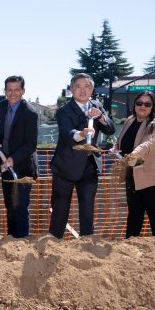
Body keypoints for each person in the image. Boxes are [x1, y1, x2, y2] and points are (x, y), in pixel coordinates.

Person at [49, 73, 115, 239]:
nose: (82, 90)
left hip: (90, 166)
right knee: (60, 209)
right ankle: (54, 242)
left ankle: (86, 242)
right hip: (65, 167)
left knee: (87, 208)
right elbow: (66, 133)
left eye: (87, 86)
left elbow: (110, 129)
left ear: (92, 89)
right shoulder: (63, 111)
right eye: (78, 86)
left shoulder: (97, 105)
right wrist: (81, 133)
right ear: (71, 89)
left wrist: (100, 116)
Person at [114, 91, 155, 237]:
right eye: (139, 103)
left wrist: (133, 154)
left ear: (153, 107)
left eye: (147, 104)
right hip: (134, 172)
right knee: (135, 212)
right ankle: (130, 245)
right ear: (134, 104)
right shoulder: (130, 120)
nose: (142, 106)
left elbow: (149, 143)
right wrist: (116, 148)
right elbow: (124, 141)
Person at [0, 75, 39, 238]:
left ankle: (22, 242)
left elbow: (31, 144)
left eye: (17, 89)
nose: (13, 93)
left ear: (23, 91)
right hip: (5, 166)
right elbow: (0, 131)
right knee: (10, 205)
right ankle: (11, 241)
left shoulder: (30, 112)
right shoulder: (2, 107)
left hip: (23, 167)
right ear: (5, 91)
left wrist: (13, 159)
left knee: (21, 207)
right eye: (9, 90)